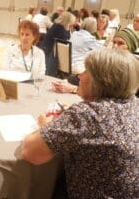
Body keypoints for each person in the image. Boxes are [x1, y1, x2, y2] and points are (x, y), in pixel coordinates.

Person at [22, 48, 139, 198]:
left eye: (86, 71)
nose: (79, 76)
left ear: (101, 80)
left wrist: (45, 126)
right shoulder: (135, 104)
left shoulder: (86, 115)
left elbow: (30, 153)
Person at [52, 27, 139, 94]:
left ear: (131, 47)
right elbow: (85, 76)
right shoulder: (107, 61)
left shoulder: (133, 69)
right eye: (114, 42)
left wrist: (74, 89)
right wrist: (65, 82)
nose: (115, 46)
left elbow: (108, 95)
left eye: (120, 43)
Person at [40, 11, 75, 77]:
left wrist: (68, 29)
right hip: (50, 54)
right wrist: (69, 30)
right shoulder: (61, 30)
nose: (71, 25)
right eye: (70, 24)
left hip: (45, 49)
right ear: (67, 22)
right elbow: (66, 40)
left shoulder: (56, 25)